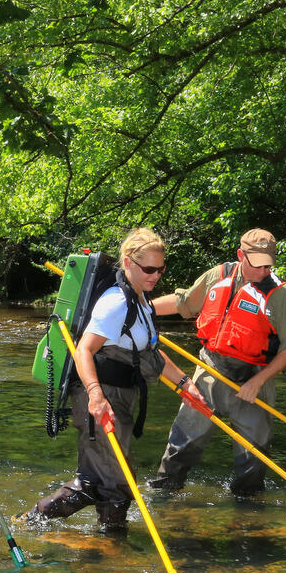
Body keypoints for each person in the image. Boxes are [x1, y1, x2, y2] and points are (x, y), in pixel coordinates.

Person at [23, 228, 205, 533]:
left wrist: (185, 384)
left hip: (121, 397)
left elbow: (152, 355)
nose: (156, 276)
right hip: (99, 398)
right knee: (114, 481)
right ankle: (107, 548)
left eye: (161, 269)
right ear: (129, 262)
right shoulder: (115, 302)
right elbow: (85, 350)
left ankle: (41, 524)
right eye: (149, 269)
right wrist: (95, 395)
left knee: (99, 480)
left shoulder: (142, 301)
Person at [147, 228, 286, 496]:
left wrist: (257, 382)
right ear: (241, 255)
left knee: (253, 459)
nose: (264, 270)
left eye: (269, 263)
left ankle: (246, 515)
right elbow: (184, 302)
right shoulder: (217, 276)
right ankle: (164, 496)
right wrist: (142, 307)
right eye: (257, 264)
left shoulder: (280, 294)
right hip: (210, 370)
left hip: (254, 378)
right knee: (182, 443)